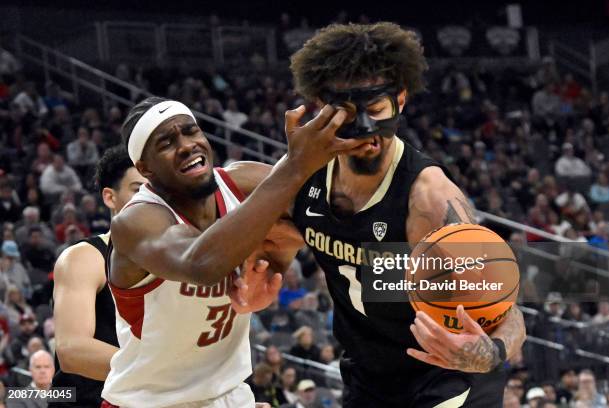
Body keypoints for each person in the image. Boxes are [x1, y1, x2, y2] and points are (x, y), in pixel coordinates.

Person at [284, 22, 526, 407]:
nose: (364, 129)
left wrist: (488, 353)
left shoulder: (430, 200)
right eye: (346, 112)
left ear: (400, 99)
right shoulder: (303, 175)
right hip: (367, 377)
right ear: (320, 107)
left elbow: (509, 315)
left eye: (376, 109)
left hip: (444, 377)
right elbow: (280, 238)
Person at [101, 96, 361, 407]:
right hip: (149, 402)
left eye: (191, 131)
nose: (186, 145)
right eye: (167, 143)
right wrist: (293, 169)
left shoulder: (242, 182)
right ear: (145, 169)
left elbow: (340, 217)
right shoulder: (136, 221)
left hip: (229, 395)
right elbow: (201, 264)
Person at [50, 145, 146, 407]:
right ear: (109, 197)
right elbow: (72, 350)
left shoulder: (175, 263)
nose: (151, 199)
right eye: (138, 189)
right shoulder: (84, 258)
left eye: (157, 190)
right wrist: (163, 376)